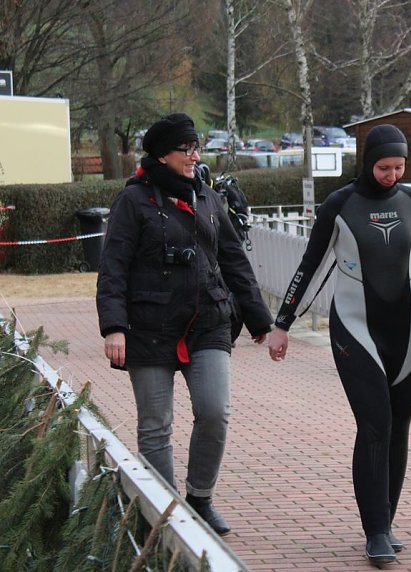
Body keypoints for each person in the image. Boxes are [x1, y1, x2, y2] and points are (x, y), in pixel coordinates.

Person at [267, 124, 411, 565]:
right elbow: (309, 266)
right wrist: (282, 323)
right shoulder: (340, 205)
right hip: (356, 328)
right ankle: (375, 531)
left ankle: (387, 520)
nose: (392, 175)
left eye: (399, 167)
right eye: (384, 167)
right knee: (375, 425)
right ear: (368, 162)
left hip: (407, 329)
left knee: (399, 426)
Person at [96, 112, 273, 535]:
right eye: (186, 149)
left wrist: (257, 315)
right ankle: (164, 511)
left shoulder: (208, 198)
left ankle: (199, 498)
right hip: (148, 325)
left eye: (197, 148)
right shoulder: (133, 201)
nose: (195, 156)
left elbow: (233, 260)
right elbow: (113, 267)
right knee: (156, 425)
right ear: (162, 154)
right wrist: (113, 326)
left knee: (215, 411)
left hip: (207, 321)